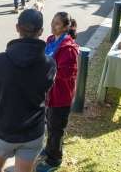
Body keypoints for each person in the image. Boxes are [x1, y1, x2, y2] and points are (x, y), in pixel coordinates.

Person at [0, 9, 56, 172]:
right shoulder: (49, 64)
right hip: (33, 131)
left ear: (17, 28)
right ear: (41, 32)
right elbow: (47, 88)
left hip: (3, 129)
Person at [36, 12, 79, 172]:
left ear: (66, 27)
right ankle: (49, 149)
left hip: (61, 95)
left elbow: (68, 75)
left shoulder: (69, 48)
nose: (53, 26)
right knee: (50, 124)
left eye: (57, 24)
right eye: (53, 22)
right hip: (49, 93)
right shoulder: (50, 39)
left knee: (57, 128)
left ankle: (54, 160)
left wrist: (47, 71)